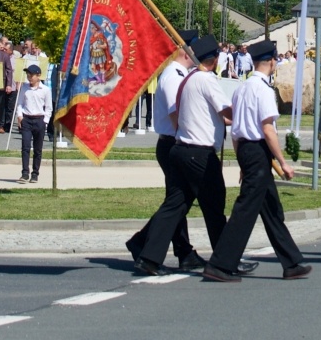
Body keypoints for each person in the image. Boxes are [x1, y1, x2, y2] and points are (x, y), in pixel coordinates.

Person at [136, 34, 243, 276]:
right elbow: (224, 109)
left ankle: (149, 257)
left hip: (181, 149)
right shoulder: (204, 80)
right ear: (214, 60)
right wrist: (246, 113)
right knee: (214, 205)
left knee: (175, 205)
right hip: (198, 152)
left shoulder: (188, 79)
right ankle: (225, 260)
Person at [202, 40, 310, 282]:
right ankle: (220, 263)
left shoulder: (241, 88)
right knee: (246, 209)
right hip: (259, 152)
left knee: (271, 209)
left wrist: (242, 161)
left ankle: (291, 262)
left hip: (246, 150)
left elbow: (236, 131)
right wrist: (282, 161)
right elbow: (267, 129)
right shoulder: (263, 90)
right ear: (272, 61)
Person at [127, 32, 205, 271]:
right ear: (185, 49)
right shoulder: (173, 76)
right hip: (174, 143)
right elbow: (175, 115)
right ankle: (144, 243)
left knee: (178, 200)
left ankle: (181, 251)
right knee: (177, 201)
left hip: (177, 143)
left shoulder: (184, 74)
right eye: (195, 47)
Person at [16, 64, 50, 184]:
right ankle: (25, 172)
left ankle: (35, 173)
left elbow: (48, 108)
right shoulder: (24, 88)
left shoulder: (45, 90)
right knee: (25, 146)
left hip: (39, 120)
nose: (29, 77)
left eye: (32, 75)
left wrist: (45, 121)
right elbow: (20, 103)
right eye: (28, 75)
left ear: (38, 76)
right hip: (27, 119)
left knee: (37, 149)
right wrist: (19, 116)